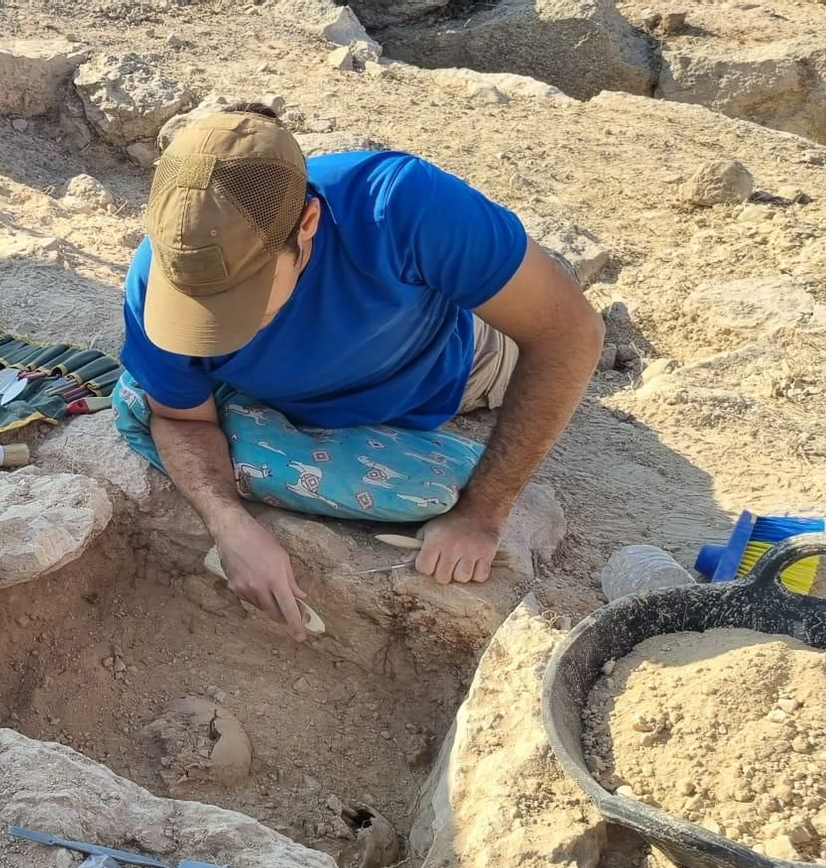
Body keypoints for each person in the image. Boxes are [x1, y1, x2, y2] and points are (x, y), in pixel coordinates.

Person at [112, 107, 602, 641]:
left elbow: (571, 336)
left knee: (544, 296)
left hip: (464, 364)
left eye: (241, 302)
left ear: (308, 226)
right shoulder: (151, 279)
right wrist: (229, 525)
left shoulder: (399, 206)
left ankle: (533, 262)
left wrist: (482, 514)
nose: (220, 330)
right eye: (196, 309)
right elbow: (179, 417)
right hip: (303, 388)